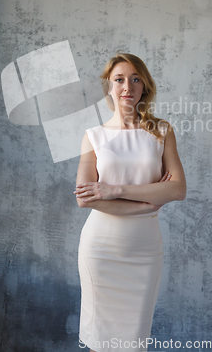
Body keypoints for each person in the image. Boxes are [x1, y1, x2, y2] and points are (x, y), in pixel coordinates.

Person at [75, 53, 186, 352]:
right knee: (101, 340)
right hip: (100, 248)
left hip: (144, 249)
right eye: (119, 79)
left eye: (136, 78)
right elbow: (85, 198)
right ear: (109, 87)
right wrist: (146, 202)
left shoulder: (162, 132)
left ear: (145, 86)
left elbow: (177, 190)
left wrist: (113, 190)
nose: (128, 86)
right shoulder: (93, 136)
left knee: (134, 342)